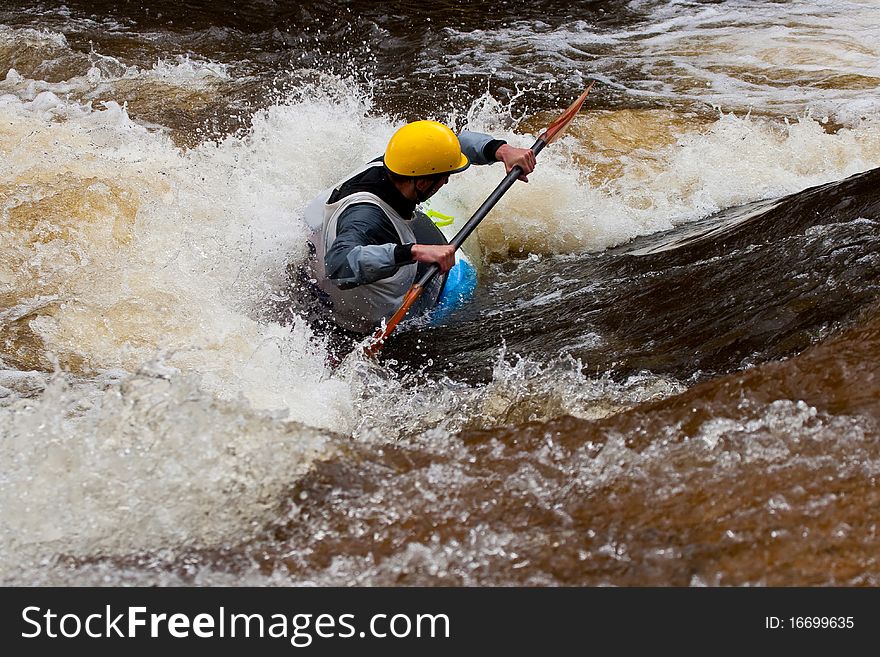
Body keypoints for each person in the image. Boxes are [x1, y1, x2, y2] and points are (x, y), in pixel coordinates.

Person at [299, 120, 536, 350]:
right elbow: (339, 264)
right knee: (471, 311)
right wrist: (414, 251)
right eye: (445, 177)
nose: (446, 181)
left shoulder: (394, 164)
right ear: (422, 182)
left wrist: (501, 150)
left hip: (315, 274)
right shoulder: (367, 218)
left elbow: (455, 143)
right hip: (349, 314)